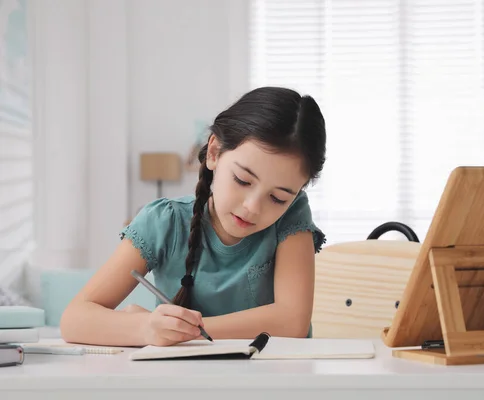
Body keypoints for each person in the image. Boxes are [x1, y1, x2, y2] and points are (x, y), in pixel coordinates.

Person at [60, 87, 327, 347]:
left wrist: (182, 330)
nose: (252, 207)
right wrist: (144, 328)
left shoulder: (292, 215)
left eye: (278, 198)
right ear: (213, 153)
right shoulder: (164, 222)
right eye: (243, 180)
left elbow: (292, 322)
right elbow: (74, 320)